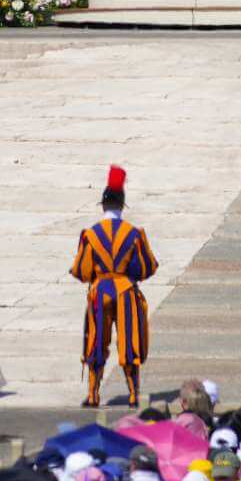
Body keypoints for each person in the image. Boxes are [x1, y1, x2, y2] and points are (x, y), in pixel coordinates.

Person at [70, 165, 158, 409]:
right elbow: (146, 267)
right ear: (122, 205)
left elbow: (82, 270)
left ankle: (93, 393)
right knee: (131, 341)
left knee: (96, 340)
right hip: (126, 290)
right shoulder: (134, 233)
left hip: (100, 291)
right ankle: (132, 394)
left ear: (102, 205)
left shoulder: (91, 234)